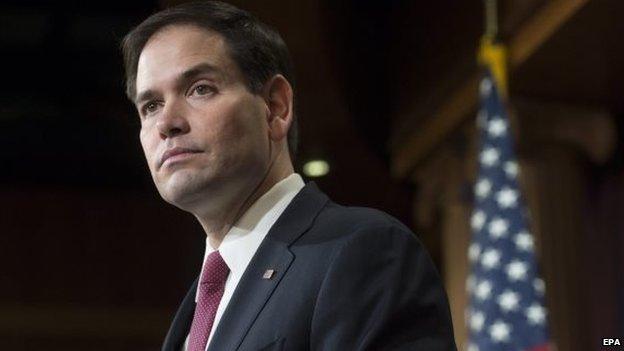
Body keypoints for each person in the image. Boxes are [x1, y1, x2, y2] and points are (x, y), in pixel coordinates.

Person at [121, 1, 456, 350]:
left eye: (200, 88)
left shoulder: (364, 252)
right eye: (150, 106)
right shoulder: (195, 311)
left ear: (275, 107)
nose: (166, 123)